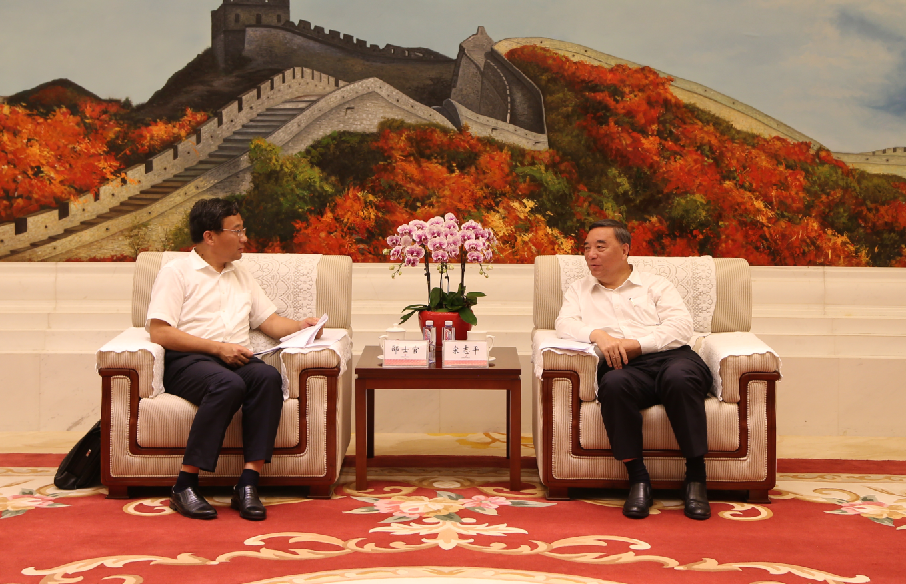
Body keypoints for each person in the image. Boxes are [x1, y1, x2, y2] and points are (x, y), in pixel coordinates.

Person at [146, 198, 322, 521]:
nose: (244, 238)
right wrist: (217, 348)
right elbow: (159, 331)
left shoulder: (240, 274)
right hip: (190, 361)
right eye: (237, 231)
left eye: (243, 230)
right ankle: (184, 485)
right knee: (228, 385)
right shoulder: (177, 272)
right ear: (210, 236)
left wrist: (302, 326)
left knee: (268, 378)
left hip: (234, 358)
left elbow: (269, 322)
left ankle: (248, 484)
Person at [555, 219, 713, 520]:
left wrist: (638, 344)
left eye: (600, 247)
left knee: (679, 379)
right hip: (624, 366)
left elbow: (681, 327)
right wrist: (598, 335)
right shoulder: (579, 290)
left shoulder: (655, 285)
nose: (591, 254)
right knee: (614, 386)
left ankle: (696, 478)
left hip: (671, 357)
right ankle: (639, 479)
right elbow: (564, 324)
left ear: (625, 249)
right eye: (586, 248)